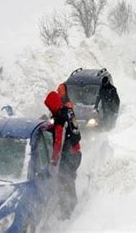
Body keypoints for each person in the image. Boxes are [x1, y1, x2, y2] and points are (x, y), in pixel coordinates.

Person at [44, 91, 82, 220]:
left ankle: (67, 213)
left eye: (49, 107)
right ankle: (72, 205)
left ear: (53, 105)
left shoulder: (60, 117)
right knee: (69, 180)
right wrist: (51, 127)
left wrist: (53, 160)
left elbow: (58, 142)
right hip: (76, 153)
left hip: (69, 156)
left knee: (64, 181)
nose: (49, 109)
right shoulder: (68, 110)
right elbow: (65, 127)